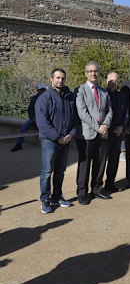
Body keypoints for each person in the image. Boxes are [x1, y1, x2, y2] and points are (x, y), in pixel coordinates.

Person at [35, 69, 77, 214]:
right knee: (47, 171)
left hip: (65, 141)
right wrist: (57, 137)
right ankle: (45, 200)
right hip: (50, 141)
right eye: (57, 78)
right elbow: (42, 122)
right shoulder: (44, 98)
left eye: (62, 78)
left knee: (60, 171)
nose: (60, 81)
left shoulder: (70, 97)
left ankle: (57, 196)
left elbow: (75, 120)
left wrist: (71, 135)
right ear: (51, 79)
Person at [75, 61, 113, 205]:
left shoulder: (103, 91)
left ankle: (97, 189)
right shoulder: (80, 90)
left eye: (96, 71)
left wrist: (106, 124)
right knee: (85, 164)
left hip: (103, 134)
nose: (93, 74)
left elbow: (110, 111)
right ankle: (82, 193)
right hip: (86, 134)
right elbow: (82, 113)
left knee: (100, 163)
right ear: (86, 74)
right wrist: (98, 127)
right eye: (90, 71)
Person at [104, 72, 128, 193]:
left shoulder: (121, 96)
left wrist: (122, 127)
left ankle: (110, 183)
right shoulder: (102, 94)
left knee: (114, 161)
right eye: (111, 80)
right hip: (105, 134)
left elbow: (126, 113)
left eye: (116, 81)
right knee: (102, 162)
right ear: (106, 81)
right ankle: (96, 187)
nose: (113, 83)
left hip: (118, 133)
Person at [10, 83, 47, 152]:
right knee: (24, 127)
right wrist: (32, 117)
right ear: (38, 90)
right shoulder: (34, 98)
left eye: (43, 89)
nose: (42, 91)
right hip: (34, 119)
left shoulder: (49, 98)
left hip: (44, 119)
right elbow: (29, 109)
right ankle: (19, 144)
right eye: (40, 89)